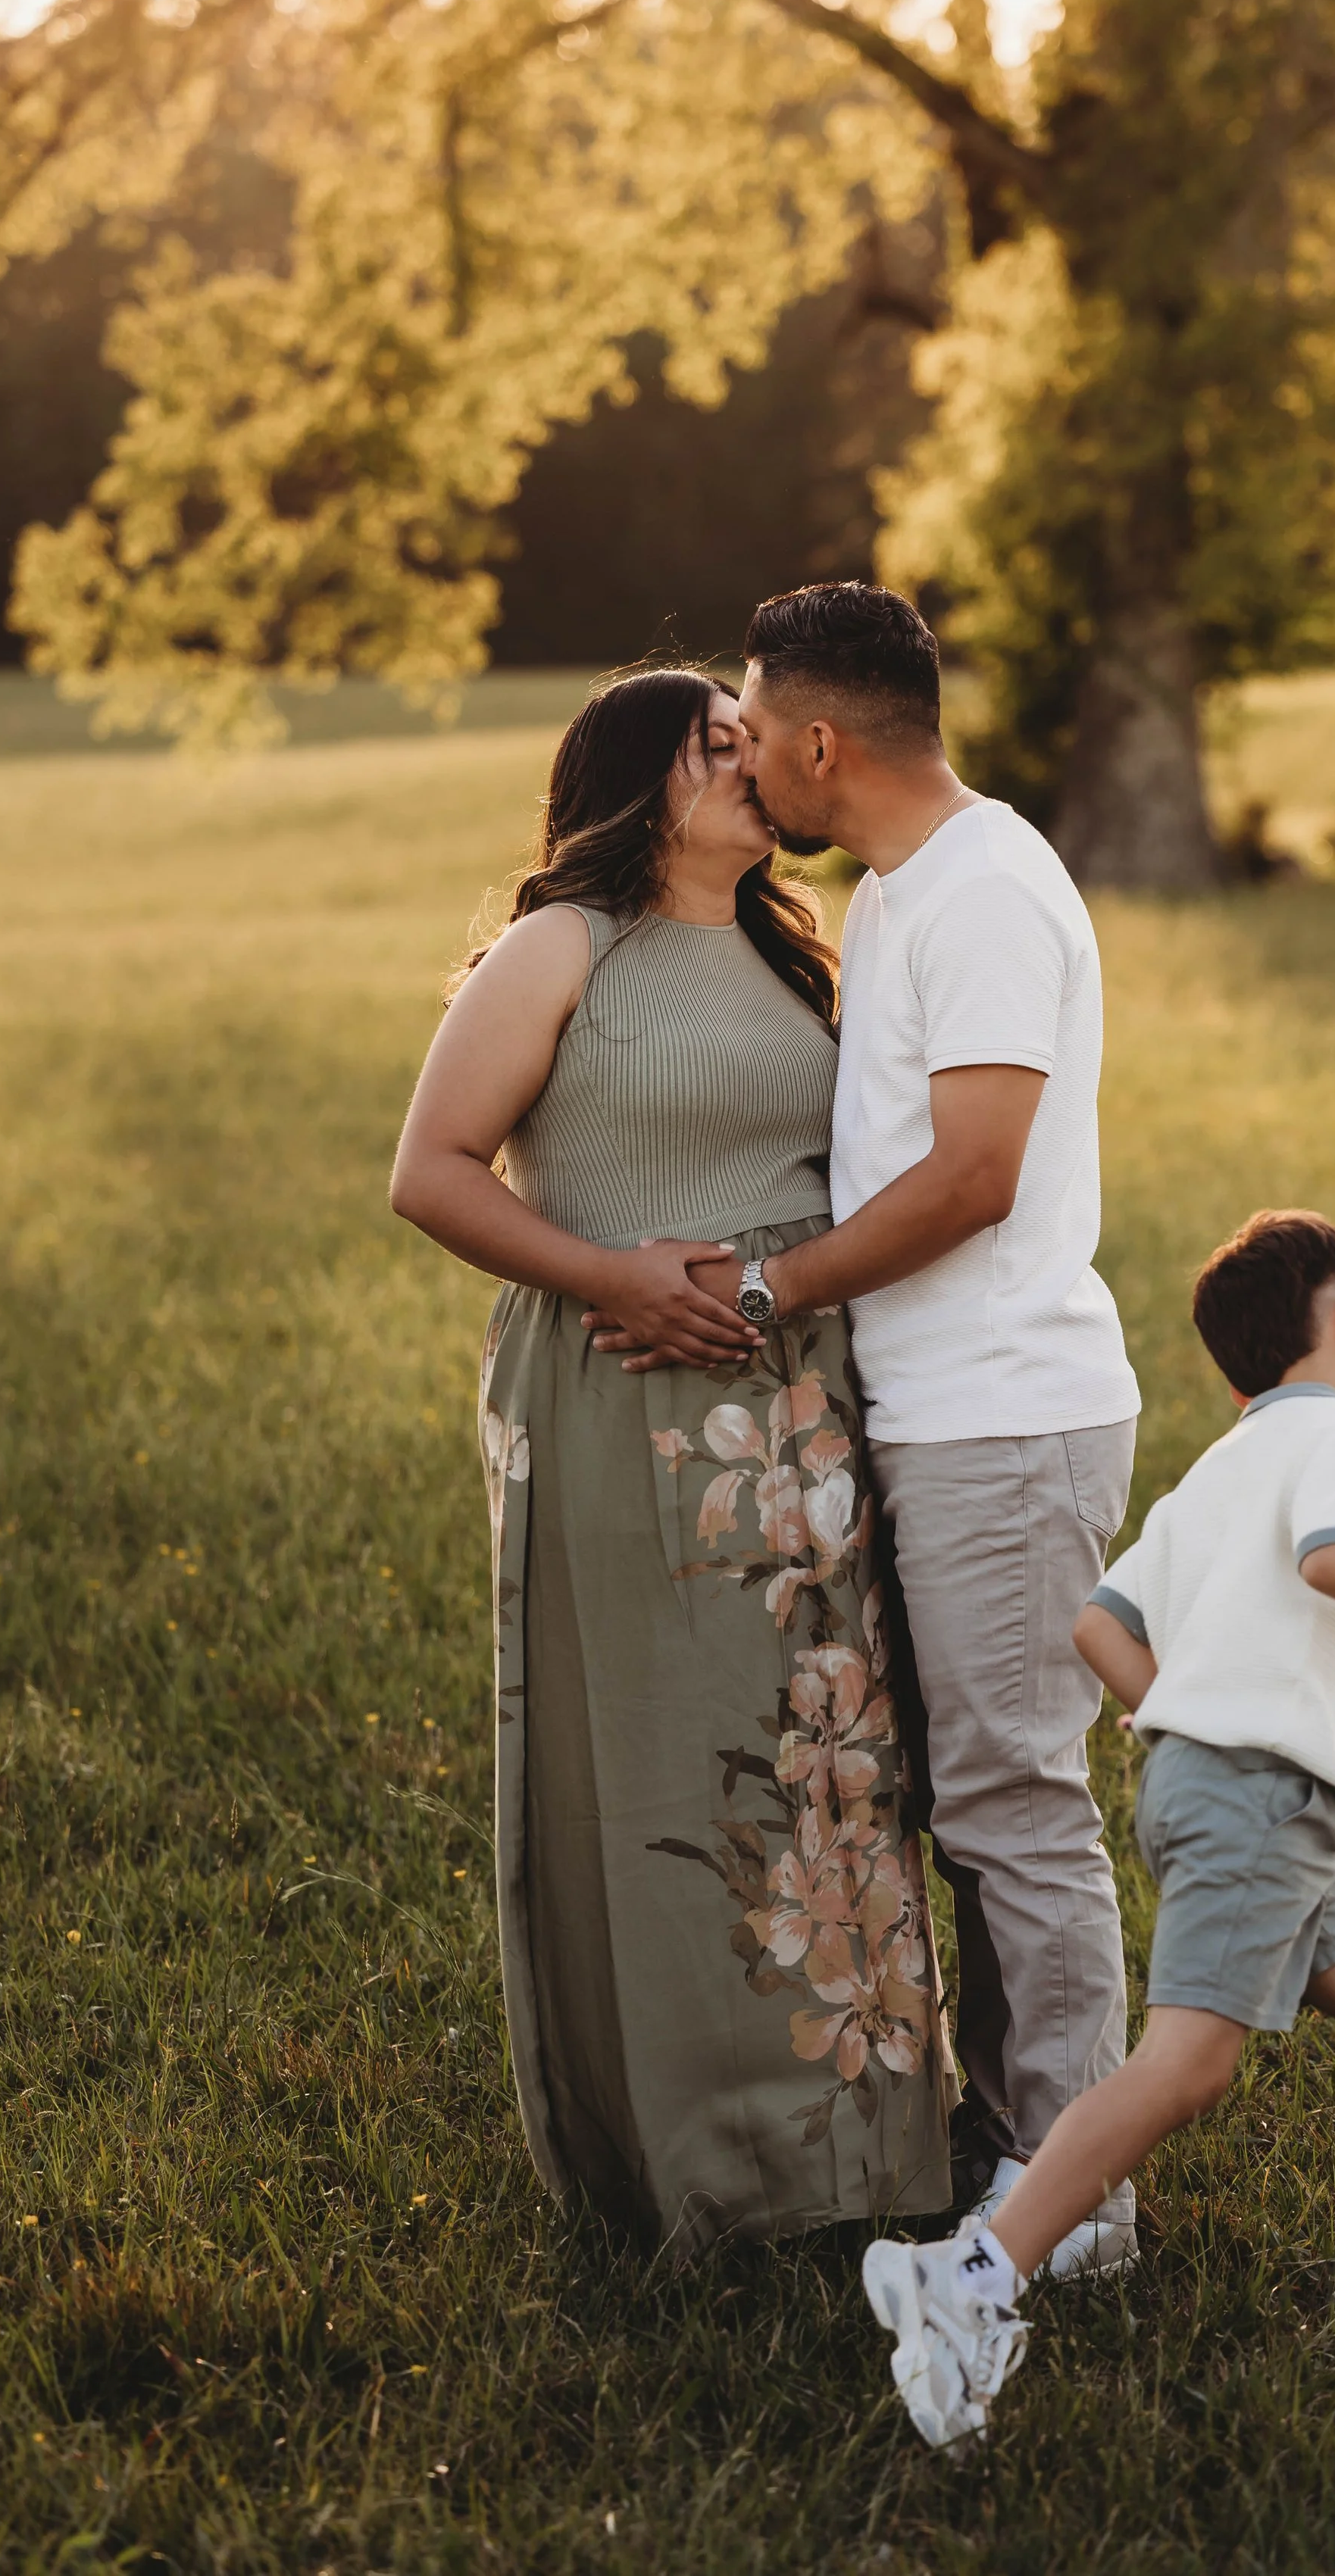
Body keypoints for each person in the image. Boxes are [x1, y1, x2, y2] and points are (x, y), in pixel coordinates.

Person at [861, 1209, 1335, 2444]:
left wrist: (1186, 1711)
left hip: (1221, 1788)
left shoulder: (1219, 1467)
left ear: (1236, 1373)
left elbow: (1098, 1627)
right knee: (1190, 2063)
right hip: (1257, 1790)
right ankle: (971, 2275)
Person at [597, 582, 1143, 2274]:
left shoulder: (980, 892)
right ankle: (1005, 2136)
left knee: (1013, 1810)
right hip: (932, 1416)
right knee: (958, 1799)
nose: (746, 760)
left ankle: (1077, 2195)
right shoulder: (910, 890)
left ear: (821, 741)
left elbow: (971, 1183)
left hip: (1003, 1419)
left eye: (754, 732)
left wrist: (763, 1296)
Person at [389, 670, 950, 2256]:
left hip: (791, 1396)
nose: (752, 760)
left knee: (825, 1761)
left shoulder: (790, 949)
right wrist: (614, 1276)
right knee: (655, 1763)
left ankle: (857, 2156)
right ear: (641, 780)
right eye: (717, 742)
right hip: (623, 1380)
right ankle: (691, 2174)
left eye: (751, 737)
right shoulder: (559, 945)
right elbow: (426, 1173)